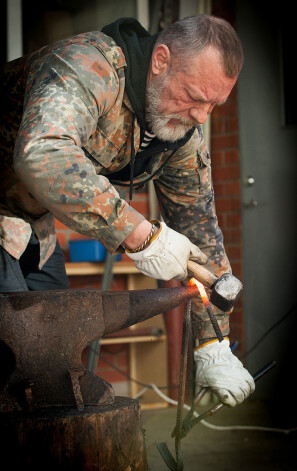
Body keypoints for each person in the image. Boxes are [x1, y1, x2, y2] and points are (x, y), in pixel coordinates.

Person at [0, 15, 255, 407]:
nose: (202, 116)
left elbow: (200, 231)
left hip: (33, 223)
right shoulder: (88, 65)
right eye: (194, 96)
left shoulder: (180, 130)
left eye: (214, 104)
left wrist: (213, 344)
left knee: (56, 350)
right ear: (161, 60)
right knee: (14, 356)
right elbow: (43, 155)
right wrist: (143, 236)